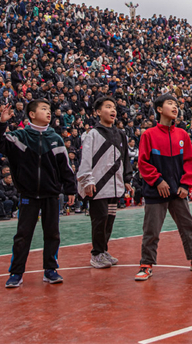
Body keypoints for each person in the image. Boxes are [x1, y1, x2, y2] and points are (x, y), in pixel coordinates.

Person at [0, 100, 77, 289]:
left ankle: (50, 270)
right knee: (23, 235)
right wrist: (1, 123)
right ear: (31, 114)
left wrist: (70, 189)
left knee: (52, 234)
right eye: (44, 109)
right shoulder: (19, 137)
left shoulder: (55, 138)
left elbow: (65, 168)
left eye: (49, 109)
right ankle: (16, 272)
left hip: (51, 195)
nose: (49, 112)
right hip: (28, 195)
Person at [134, 93, 192, 281]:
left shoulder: (182, 134)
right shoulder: (148, 135)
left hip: (178, 192)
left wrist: (185, 185)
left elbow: (190, 162)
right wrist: (158, 181)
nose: (175, 107)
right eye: (170, 104)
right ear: (159, 109)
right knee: (151, 230)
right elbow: (143, 163)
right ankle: (146, 264)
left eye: (176, 104)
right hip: (155, 191)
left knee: (188, 226)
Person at [77, 96, 133, 269]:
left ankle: (103, 250)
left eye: (114, 107)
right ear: (98, 112)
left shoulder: (121, 134)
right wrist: (87, 181)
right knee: (99, 220)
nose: (113, 110)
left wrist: (127, 179)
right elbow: (85, 160)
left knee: (109, 220)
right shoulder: (92, 134)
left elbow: (125, 159)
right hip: (98, 186)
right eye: (108, 107)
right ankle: (96, 253)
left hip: (115, 187)